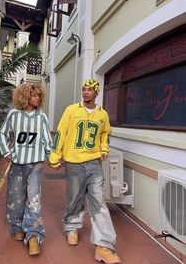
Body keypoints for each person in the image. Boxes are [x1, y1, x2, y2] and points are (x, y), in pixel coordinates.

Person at [49, 79, 121, 264]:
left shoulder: (103, 114)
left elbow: (106, 133)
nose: (86, 92)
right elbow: (61, 132)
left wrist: (104, 149)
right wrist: (55, 157)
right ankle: (72, 227)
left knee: (98, 201)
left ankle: (104, 246)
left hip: (94, 163)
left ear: (96, 93)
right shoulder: (71, 110)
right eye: (84, 89)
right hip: (74, 163)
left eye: (90, 90)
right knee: (75, 198)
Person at [0, 82, 52, 256]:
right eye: (33, 95)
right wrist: (6, 151)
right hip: (17, 163)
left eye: (38, 95)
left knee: (34, 197)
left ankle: (34, 234)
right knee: (16, 197)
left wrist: (53, 157)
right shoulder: (14, 114)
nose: (37, 98)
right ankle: (16, 227)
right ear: (25, 96)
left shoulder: (41, 117)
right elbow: (2, 133)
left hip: (35, 164)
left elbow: (47, 140)